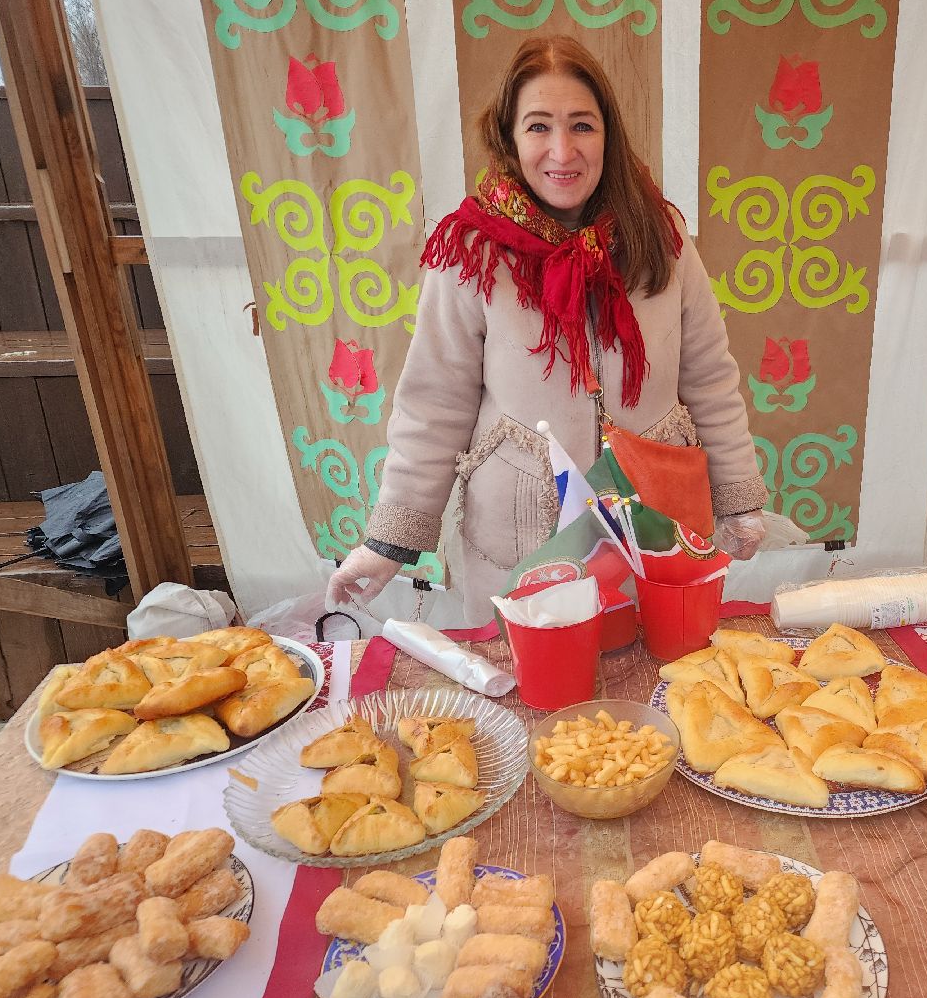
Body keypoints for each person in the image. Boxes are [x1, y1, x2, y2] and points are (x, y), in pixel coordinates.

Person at [327, 35, 767, 623]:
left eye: (582, 125)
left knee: (653, 690)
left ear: (608, 133)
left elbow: (710, 377)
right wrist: (387, 544)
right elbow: (435, 405)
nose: (562, 150)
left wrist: (738, 500)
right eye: (538, 126)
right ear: (509, 136)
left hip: (654, 531)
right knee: (536, 699)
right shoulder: (471, 252)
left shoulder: (660, 238)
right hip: (521, 547)